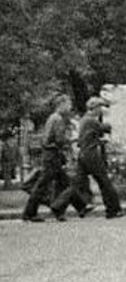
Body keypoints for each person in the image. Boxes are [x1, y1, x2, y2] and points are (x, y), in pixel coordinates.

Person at [22, 94, 89, 223]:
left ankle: (77, 208)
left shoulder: (52, 118)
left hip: (50, 155)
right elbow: (59, 140)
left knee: (63, 183)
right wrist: (72, 140)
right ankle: (31, 213)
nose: (70, 107)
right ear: (61, 104)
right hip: (53, 155)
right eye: (68, 104)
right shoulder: (58, 119)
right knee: (43, 185)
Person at [64, 95, 123, 219]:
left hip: (83, 154)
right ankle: (114, 209)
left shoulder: (84, 120)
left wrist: (99, 141)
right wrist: (108, 123)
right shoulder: (91, 120)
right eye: (100, 107)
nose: (101, 110)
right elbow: (105, 128)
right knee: (104, 181)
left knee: (78, 183)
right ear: (95, 108)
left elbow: (85, 138)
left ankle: (60, 206)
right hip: (91, 155)